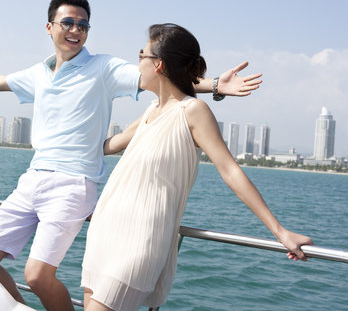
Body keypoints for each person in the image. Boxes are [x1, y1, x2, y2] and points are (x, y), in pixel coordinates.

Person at [0, 0, 262, 311]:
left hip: (73, 182)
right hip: (32, 178)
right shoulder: (38, 73)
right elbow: (1, 81)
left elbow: (161, 74)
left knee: (37, 276)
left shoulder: (103, 68)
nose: (76, 30)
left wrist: (216, 84)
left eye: (83, 25)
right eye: (68, 22)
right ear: (49, 27)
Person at [80, 23, 313, 311]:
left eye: (142, 54)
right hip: (106, 229)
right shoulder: (152, 110)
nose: (137, 62)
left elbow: (230, 170)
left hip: (140, 239)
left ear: (159, 64)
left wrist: (280, 231)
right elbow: (111, 145)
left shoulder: (193, 111)